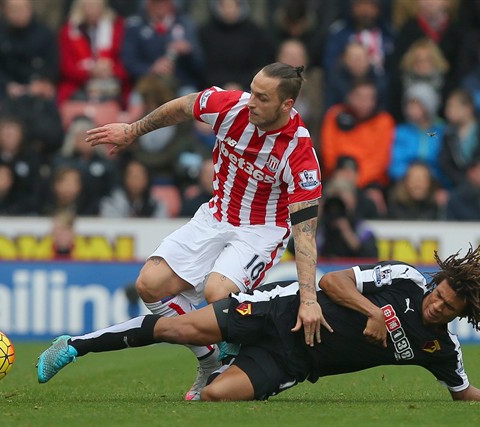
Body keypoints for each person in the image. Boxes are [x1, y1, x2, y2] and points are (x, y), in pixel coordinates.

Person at [85, 62, 328, 400]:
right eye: (252, 90)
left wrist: (309, 300)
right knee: (148, 285)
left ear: (287, 105)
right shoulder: (231, 107)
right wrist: (133, 130)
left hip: (261, 230)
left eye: (262, 97)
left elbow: (304, 234)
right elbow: (183, 106)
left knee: (218, 292)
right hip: (215, 216)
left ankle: (239, 362)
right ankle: (209, 356)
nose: (251, 102)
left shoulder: (299, 153)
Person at [37, 245, 480, 404]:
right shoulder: (403, 279)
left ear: (460, 314)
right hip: (283, 310)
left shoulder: (440, 349)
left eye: (448, 307)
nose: (438, 306)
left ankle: (217, 365)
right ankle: (76, 345)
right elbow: (334, 282)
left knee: (214, 397)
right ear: (438, 283)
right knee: (175, 329)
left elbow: (461, 392)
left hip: (295, 359)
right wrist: (374, 312)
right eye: (440, 294)